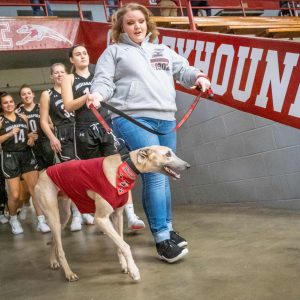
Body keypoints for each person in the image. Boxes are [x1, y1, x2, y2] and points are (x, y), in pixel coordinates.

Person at [90, 3, 211, 263]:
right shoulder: (114, 52)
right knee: (156, 176)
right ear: (121, 26)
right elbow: (103, 81)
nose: (137, 26)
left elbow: (183, 70)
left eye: (141, 21)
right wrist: (97, 94)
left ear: (148, 23)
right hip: (131, 117)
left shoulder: (161, 50)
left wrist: (198, 77)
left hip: (165, 119)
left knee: (167, 173)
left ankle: (167, 228)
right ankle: (161, 239)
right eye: (131, 22)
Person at [62, 45, 145, 231]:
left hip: (105, 125)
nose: (82, 56)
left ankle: (130, 214)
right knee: (96, 175)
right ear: (71, 60)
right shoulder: (69, 78)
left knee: (120, 169)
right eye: (77, 54)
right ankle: (97, 214)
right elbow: (68, 106)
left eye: (84, 52)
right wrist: (87, 97)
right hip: (84, 129)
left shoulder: (99, 75)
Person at [40, 62, 94, 231]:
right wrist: (52, 137)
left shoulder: (73, 88)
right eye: (56, 72)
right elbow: (43, 121)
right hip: (63, 135)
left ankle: (86, 210)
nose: (59, 74)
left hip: (79, 129)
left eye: (62, 72)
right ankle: (77, 213)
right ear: (51, 76)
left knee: (85, 173)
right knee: (72, 175)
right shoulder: (47, 94)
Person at [0, 92, 50, 234]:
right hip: (10, 156)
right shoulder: (1, 120)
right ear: (1, 105)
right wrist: (9, 134)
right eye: (5, 102)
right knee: (15, 195)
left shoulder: (23, 117)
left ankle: (41, 221)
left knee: (35, 190)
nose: (9, 104)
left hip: (26, 154)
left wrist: (31, 138)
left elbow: (27, 135)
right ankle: (13, 219)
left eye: (10, 101)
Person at [18, 84, 55, 171]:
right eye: (23, 94)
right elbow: (17, 132)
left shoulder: (42, 107)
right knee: (36, 172)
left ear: (33, 94)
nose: (27, 96)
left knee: (50, 170)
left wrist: (42, 126)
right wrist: (27, 135)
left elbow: (53, 126)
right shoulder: (18, 112)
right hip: (30, 145)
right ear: (20, 97)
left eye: (29, 93)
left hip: (45, 142)